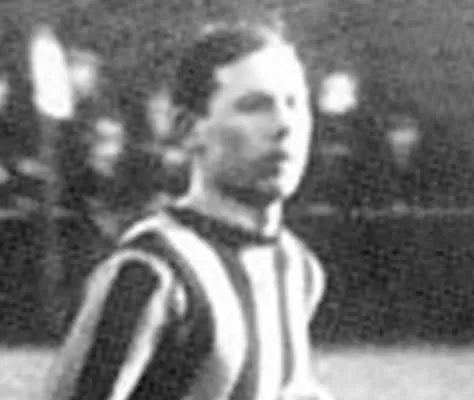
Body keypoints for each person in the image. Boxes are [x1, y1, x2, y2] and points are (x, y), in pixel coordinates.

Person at [44, 20, 333, 400]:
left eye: (295, 104)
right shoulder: (150, 272)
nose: (284, 125)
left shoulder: (298, 267)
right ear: (187, 129)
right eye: (254, 106)